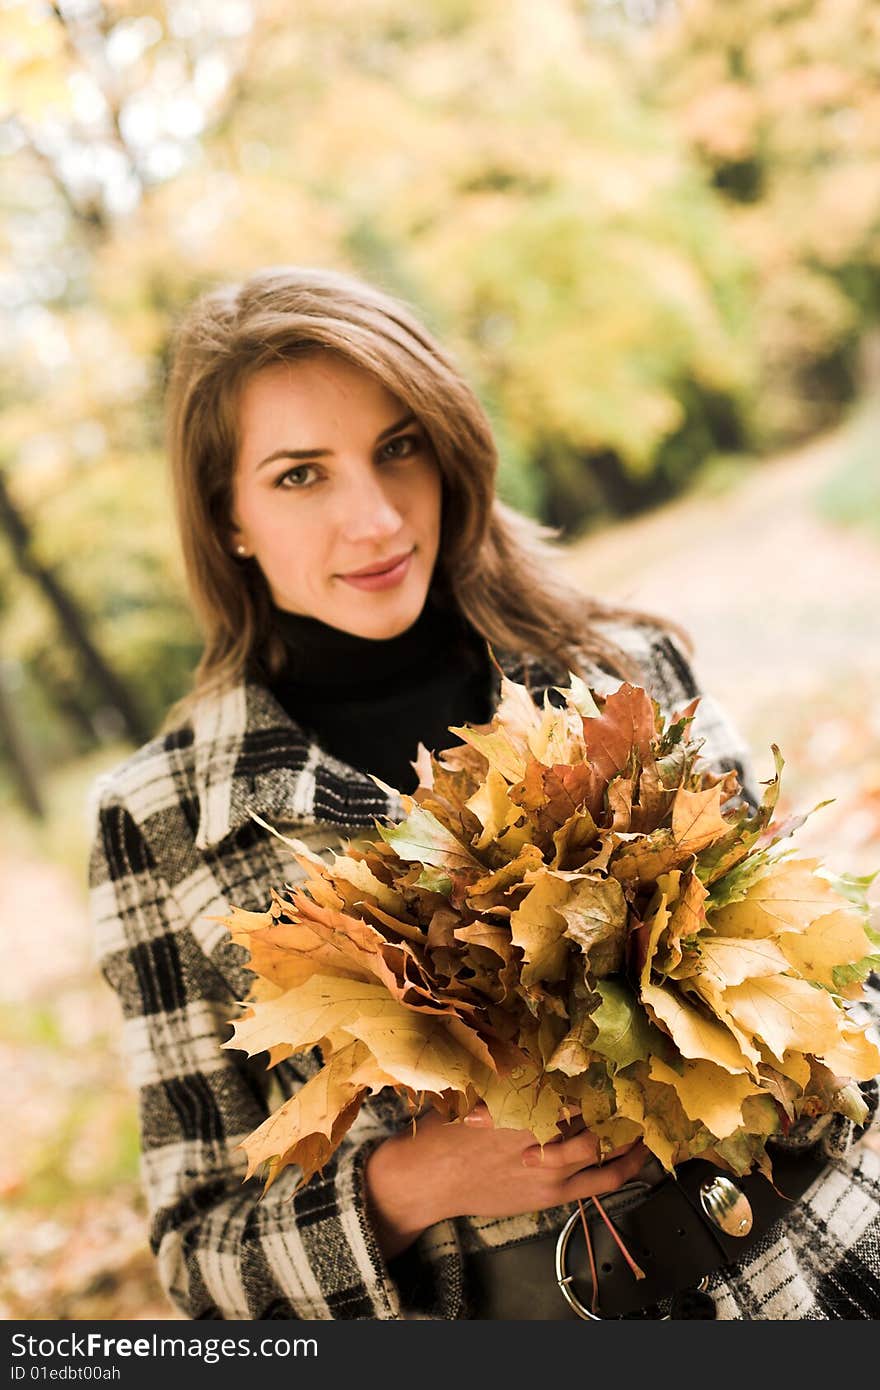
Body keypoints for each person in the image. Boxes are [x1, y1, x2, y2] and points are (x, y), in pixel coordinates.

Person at [88, 265, 880, 1321]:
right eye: (298, 476)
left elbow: (844, 976)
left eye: (397, 447)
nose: (373, 520)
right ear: (227, 517)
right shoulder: (163, 822)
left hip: (829, 1272)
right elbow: (199, 1254)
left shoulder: (622, 667)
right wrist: (402, 1192)